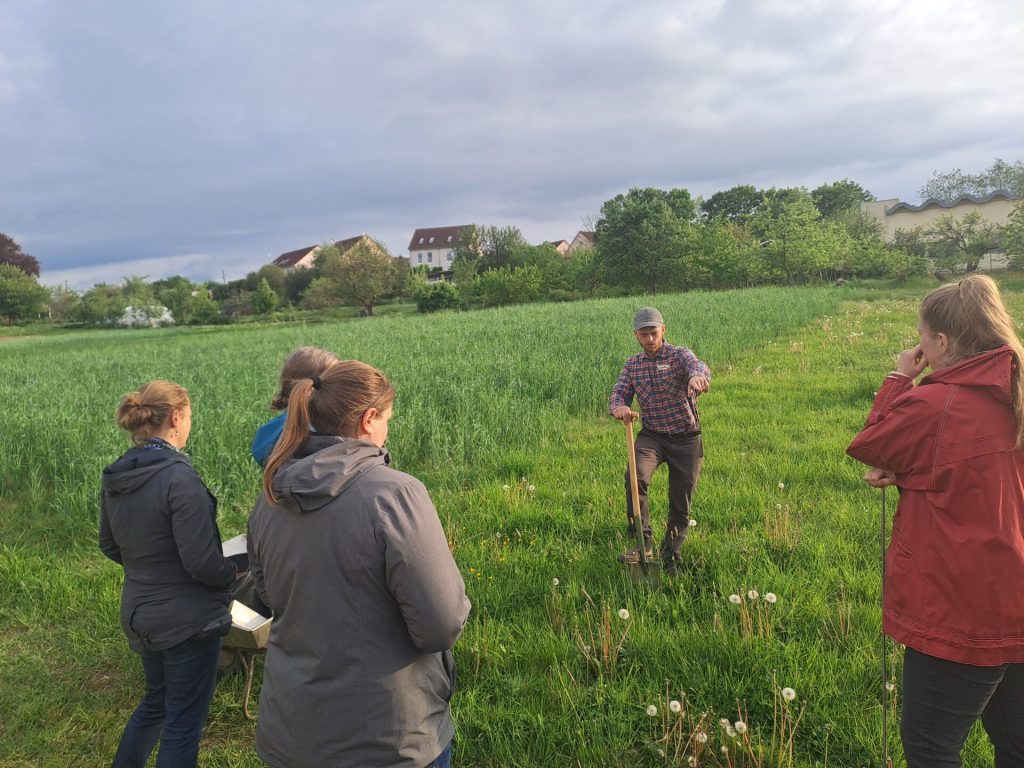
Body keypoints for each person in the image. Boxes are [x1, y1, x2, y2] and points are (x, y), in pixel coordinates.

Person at [247, 360, 471, 768]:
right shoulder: (395, 494)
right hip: (389, 737)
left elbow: (268, 594)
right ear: (369, 420)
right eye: (387, 418)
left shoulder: (270, 496)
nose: (387, 428)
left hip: (292, 732)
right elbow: (441, 623)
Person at [847, 275, 1024, 767]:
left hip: (962, 599)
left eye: (922, 336)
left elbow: (871, 443)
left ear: (942, 343)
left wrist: (900, 378)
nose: (918, 345)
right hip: (1016, 591)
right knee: (1016, 741)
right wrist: (911, 469)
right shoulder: (1016, 392)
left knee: (930, 747)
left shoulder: (936, 403)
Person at [100, 380, 237, 768]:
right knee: (183, 723)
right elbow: (202, 564)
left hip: (140, 613)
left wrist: (152, 568)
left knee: (155, 703)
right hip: (187, 622)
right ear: (176, 418)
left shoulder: (117, 476)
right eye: (189, 417)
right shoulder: (179, 479)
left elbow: (109, 545)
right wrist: (233, 571)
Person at [609, 307, 711, 575]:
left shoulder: (679, 355)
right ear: (636, 336)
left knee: (680, 501)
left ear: (663, 330)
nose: (650, 339)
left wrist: (698, 377)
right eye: (644, 335)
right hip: (652, 436)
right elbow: (619, 392)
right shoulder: (633, 364)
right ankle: (643, 541)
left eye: (654, 333)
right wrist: (620, 407)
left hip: (686, 437)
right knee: (635, 476)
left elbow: (697, 366)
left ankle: (671, 554)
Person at [250, 346, 340, 466]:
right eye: (336, 380)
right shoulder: (319, 431)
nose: (342, 386)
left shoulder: (273, 430)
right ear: (310, 389)